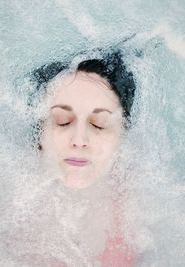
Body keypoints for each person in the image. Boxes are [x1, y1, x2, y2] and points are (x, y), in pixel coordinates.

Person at [30, 47, 136, 266]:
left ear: (123, 135)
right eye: (62, 120)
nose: (79, 140)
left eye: (100, 124)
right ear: (38, 132)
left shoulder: (153, 210)